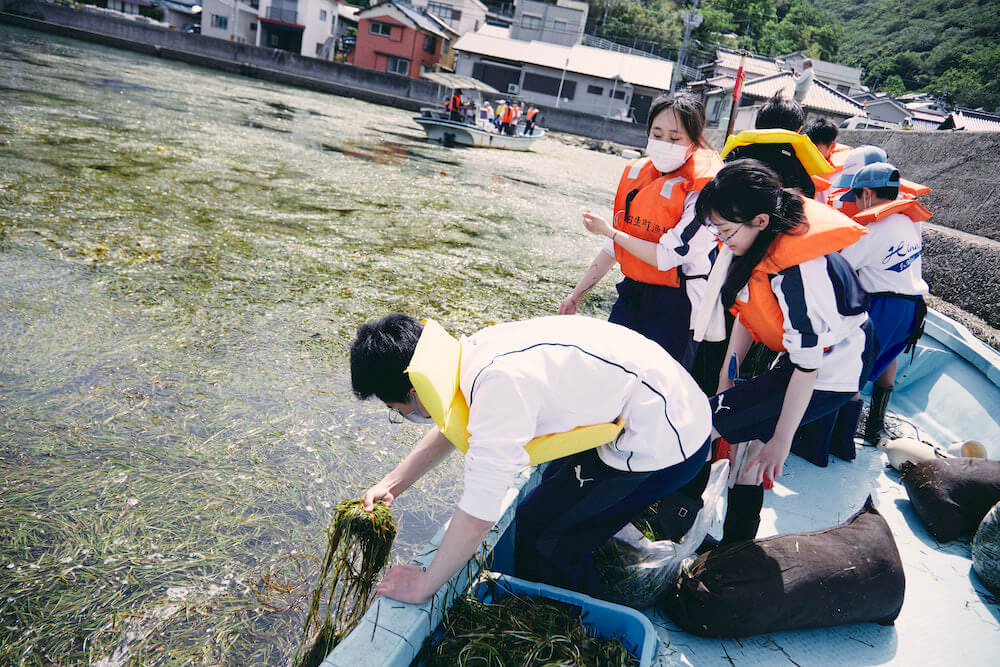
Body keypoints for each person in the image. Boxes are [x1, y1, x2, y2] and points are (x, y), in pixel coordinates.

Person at [351, 314, 712, 601]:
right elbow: (453, 422)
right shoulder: (470, 354)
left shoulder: (499, 386)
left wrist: (424, 584)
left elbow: (478, 515)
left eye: (396, 409)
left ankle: (572, 622)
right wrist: (392, 484)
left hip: (668, 441)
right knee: (551, 504)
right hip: (660, 404)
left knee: (541, 536)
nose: (403, 415)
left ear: (414, 390)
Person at [695, 160, 878, 542]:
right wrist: (727, 376)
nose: (722, 240)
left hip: (832, 367)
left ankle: (711, 541)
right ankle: (733, 546)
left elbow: (808, 368)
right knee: (748, 451)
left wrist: (782, 440)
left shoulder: (798, 273)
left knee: (706, 426)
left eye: (726, 230)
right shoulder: (753, 245)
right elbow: (748, 313)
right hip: (800, 359)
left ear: (761, 220)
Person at [559, 93, 723, 371]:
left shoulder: (705, 190)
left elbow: (667, 256)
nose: (664, 144)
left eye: (674, 138)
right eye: (657, 135)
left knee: (659, 381)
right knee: (609, 369)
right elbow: (615, 248)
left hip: (679, 302)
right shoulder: (640, 176)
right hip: (633, 291)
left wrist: (609, 232)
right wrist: (576, 295)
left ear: (694, 142)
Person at [839, 162, 931, 445]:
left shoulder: (872, 229)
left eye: (856, 197)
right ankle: (875, 427)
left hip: (882, 306)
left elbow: (842, 266)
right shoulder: (910, 221)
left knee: (853, 369)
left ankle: (839, 440)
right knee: (888, 358)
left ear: (867, 193)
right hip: (913, 309)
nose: (856, 204)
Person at [723, 94, 817, 198]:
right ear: (798, 130)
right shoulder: (795, 163)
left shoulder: (738, 151)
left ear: (758, 125)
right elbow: (809, 193)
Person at [805, 118, 851, 204]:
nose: (811, 156)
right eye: (808, 151)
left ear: (832, 147)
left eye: (817, 152)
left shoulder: (841, 176)